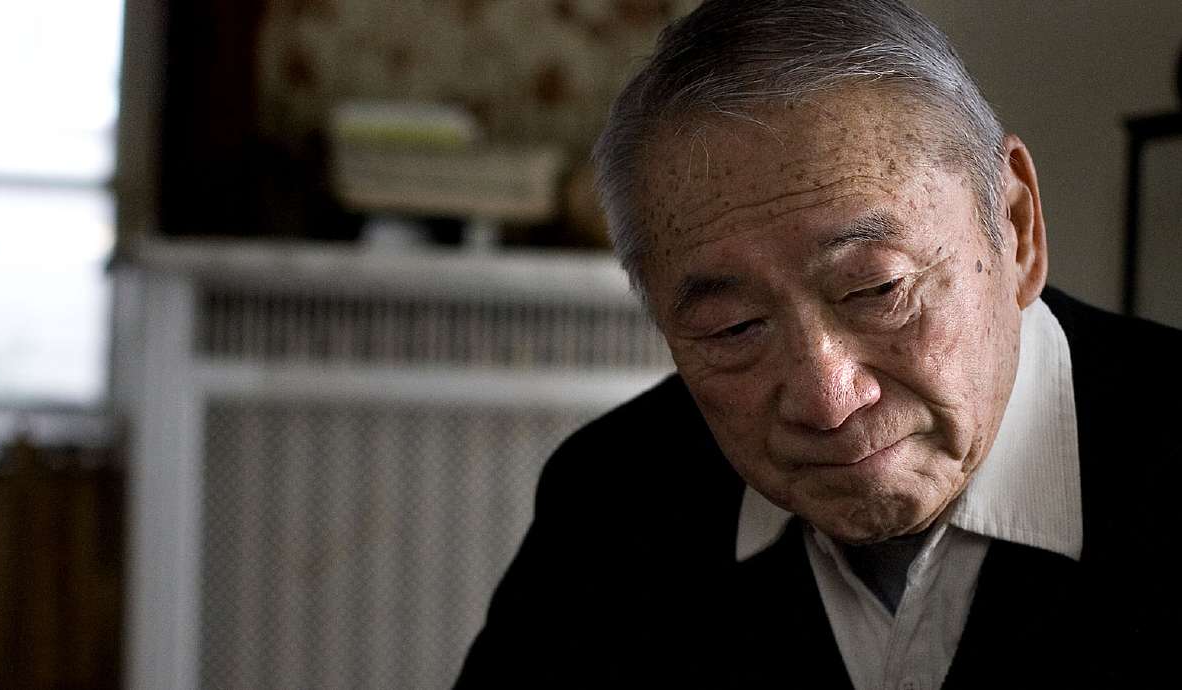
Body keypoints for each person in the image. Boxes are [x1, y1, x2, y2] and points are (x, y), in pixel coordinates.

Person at [455, 1, 1182, 687]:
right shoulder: (611, 506)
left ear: (1017, 228)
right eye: (734, 329)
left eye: (876, 291)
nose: (827, 400)